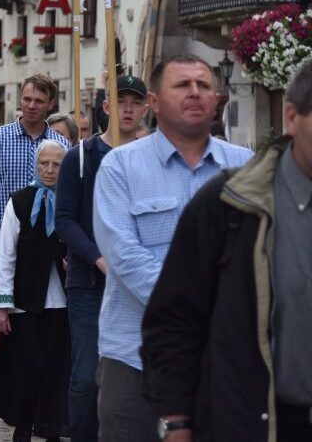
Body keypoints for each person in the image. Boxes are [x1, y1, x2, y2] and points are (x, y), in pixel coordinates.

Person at [141, 58, 312, 442]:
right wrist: (176, 420)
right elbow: (175, 319)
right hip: (255, 422)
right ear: (291, 117)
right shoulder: (229, 205)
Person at [93, 55, 252, 442]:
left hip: (226, 360)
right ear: (154, 101)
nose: (195, 92)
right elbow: (125, 257)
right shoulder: (120, 167)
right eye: (182, 85)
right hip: (135, 356)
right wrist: (205, 308)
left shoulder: (247, 169)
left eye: (204, 85)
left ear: (217, 99)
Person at [55, 74, 148, 442]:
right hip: (90, 285)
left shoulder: (152, 159)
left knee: (138, 372)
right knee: (86, 376)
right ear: (106, 106)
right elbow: (65, 219)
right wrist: (97, 258)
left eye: (134, 101)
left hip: (140, 284)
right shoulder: (80, 158)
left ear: (145, 107)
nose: (127, 108)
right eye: (119, 100)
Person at [0, 141, 71, 442]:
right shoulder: (19, 201)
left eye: (57, 164)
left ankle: (53, 425)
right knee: (27, 367)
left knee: (58, 368)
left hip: (63, 302)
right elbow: (6, 255)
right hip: (26, 300)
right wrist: (2, 305)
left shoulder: (72, 200)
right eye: (44, 163)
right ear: (36, 164)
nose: (49, 169)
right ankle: (23, 424)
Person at [0, 74, 70, 254]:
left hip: (49, 243)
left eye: (39, 101)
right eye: (27, 99)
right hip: (2, 241)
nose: (31, 106)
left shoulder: (62, 145)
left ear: (51, 104)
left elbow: (69, 196)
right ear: (20, 98)